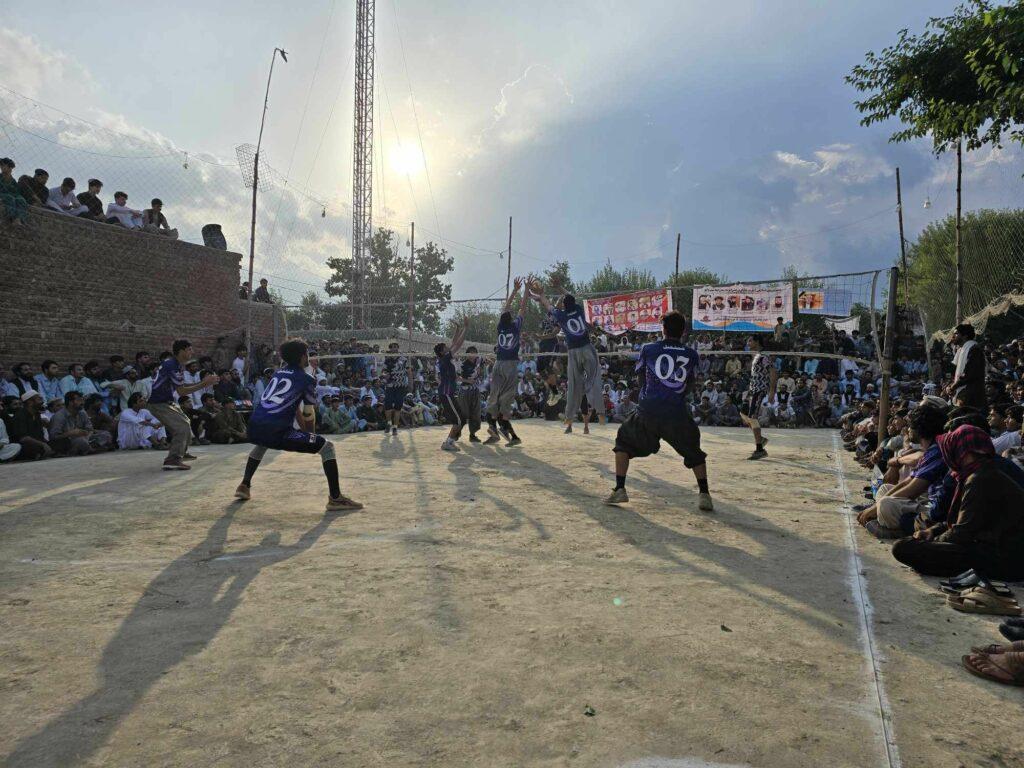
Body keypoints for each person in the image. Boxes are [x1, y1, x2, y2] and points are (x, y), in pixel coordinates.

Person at [235, 338, 362, 511]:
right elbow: (308, 414)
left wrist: (305, 432)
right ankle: (336, 498)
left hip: (254, 428)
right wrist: (311, 436)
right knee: (328, 447)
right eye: (308, 353)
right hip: (279, 432)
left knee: (263, 442)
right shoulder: (306, 379)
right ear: (303, 357)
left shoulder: (278, 373)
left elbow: (293, 408)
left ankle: (244, 484)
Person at [605, 311, 713, 511]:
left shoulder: (648, 349)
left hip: (649, 411)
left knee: (623, 442)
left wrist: (648, 396)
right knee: (694, 451)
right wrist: (677, 397)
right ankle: (704, 494)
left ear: (663, 329)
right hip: (675, 411)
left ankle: (620, 488)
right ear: (683, 331)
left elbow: (641, 378)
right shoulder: (691, 354)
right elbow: (690, 383)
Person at [891, 425, 1024, 580]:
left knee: (903, 548)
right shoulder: (980, 472)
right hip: (997, 547)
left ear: (963, 453)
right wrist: (932, 531)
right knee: (914, 543)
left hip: (1006, 558)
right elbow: (963, 519)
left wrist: (934, 540)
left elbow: (962, 533)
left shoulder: (980, 478)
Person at [529, 279, 605, 433]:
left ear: (563, 305)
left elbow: (547, 305)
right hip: (586, 347)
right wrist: (558, 286)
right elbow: (569, 296)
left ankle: (570, 418)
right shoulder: (577, 308)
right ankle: (599, 414)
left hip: (573, 351)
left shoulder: (560, 316)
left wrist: (542, 294)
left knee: (574, 385)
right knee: (593, 380)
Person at [147, 340, 219, 470]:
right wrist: (205, 383)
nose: (192, 352)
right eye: (189, 349)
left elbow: (182, 386)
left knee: (185, 421)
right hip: (158, 403)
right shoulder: (172, 366)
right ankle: (172, 459)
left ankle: (181, 453)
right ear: (181, 351)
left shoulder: (177, 365)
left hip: (166, 402)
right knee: (181, 427)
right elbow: (182, 392)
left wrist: (204, 382)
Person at [485, 276, 528, 446]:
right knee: (505, 399)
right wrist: (525, 291)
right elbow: (522, 308)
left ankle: (498, 429)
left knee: (494, 397)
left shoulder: (500, 327)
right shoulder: (515, 326)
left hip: (498, 363)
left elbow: (506, 307)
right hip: (510, 364)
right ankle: (501, 430)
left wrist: (515, 290)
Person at [739, 335, 776, 460]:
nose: (748, 342)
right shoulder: (757, 356)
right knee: (743, 414)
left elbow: (773, 372)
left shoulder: (763, 357)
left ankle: (760, 449)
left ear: (757, 342)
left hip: (759, 390)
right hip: (752, 390)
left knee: (752, 418)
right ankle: (760, 439)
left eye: (750, 340)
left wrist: (772, 391)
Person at [435, 322, 468, 452]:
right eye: (445, 347)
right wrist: (466, 328)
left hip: (449, 393)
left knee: (462, 420)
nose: (448, 347)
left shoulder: (444, 358)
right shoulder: (445, 359)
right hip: (446, 393)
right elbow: (458, 345)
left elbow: (453, 344)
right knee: (459, 420)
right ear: (443, 351)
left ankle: (451, 440)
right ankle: (448, 443)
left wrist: (458, 328)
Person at [946, 323, 986, 411]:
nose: (953, 336)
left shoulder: (974, 349)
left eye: (956, 334)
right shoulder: (962, 350)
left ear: (965, 335)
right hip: (964, 392)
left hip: (971, 394)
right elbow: (958, 374)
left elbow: (969, 374)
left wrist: (953, 387)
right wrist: (951, 385)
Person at [382, 342, 410, 437]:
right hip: (390, 385)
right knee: (388, 407)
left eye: (396, 347)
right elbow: (383, 371)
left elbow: (409, 371)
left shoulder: (404, 359)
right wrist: (385, 375)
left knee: (398, 407)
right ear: (390, 349)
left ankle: (395, 427)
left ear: (398, 348)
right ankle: (389, 423)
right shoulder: (387, 360)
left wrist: (410, 383)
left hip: (400, 385)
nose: (394, 348)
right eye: (392, 347)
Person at [458, 345, 483, 442]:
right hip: (464, 391)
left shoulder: (478, 364)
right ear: (467, 354)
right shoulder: (463, 365)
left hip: (475, 390)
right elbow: (457, 378)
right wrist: (467, 381)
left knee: (476, 413)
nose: (473, 355)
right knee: (463, 413)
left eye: (474, 353)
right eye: (471, 353)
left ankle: (472, 434)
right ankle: (456, 432)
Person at [0, 157, 28, 226]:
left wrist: (18, 197)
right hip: (3, 195)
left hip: (12, 195)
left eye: (4, 165)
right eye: (1, 165)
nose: (1, 167)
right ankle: (11, 217)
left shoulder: (13, 181)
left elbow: (16, 192)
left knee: (21, 200)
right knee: (10, 198)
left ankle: (19, 219)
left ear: (10, 168)